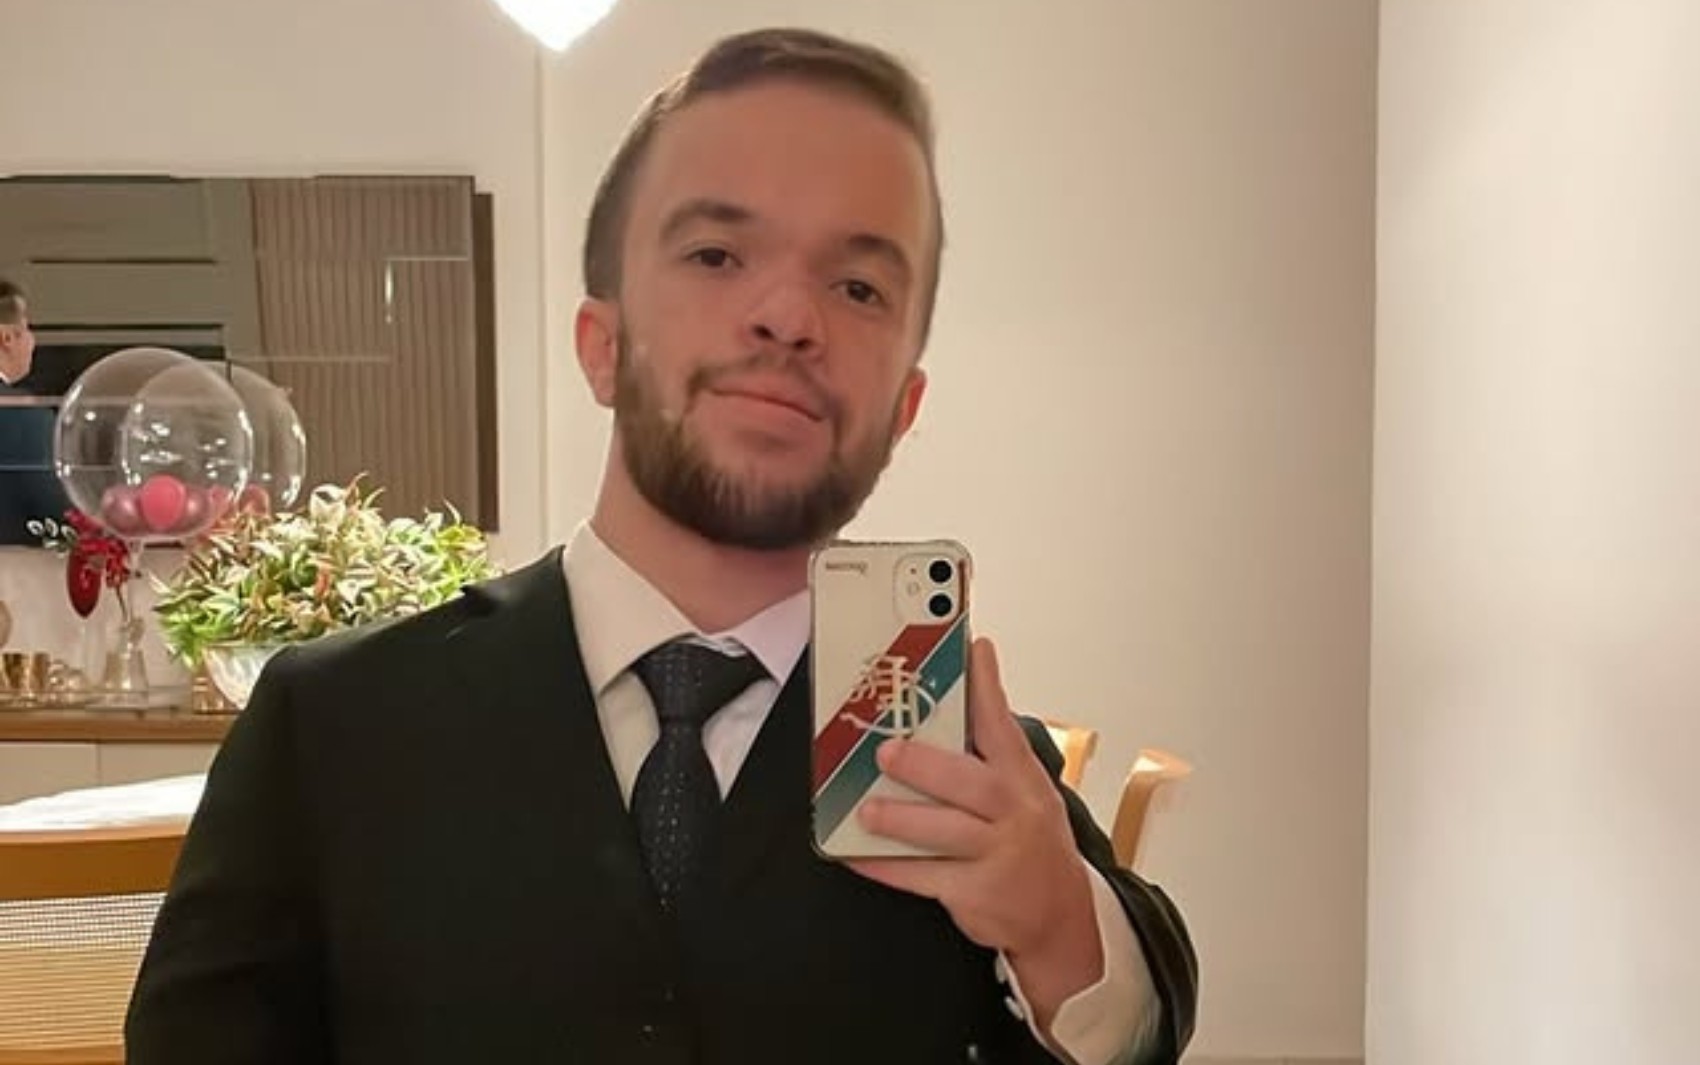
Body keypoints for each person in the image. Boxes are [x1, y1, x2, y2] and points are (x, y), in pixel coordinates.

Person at [125, 27, 1198, 1065]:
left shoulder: (956, 761)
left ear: (903, 407)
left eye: (859, 286)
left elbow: (1146, 1011)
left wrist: (1060, 926)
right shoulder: (331, 726)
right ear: (602, 346)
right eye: (716, 253)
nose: (788, 315)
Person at [0, 277, 68, 544]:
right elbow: (58, 519)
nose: (32, 341)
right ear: (6, 338)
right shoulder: (22, 416)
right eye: (27, 328)